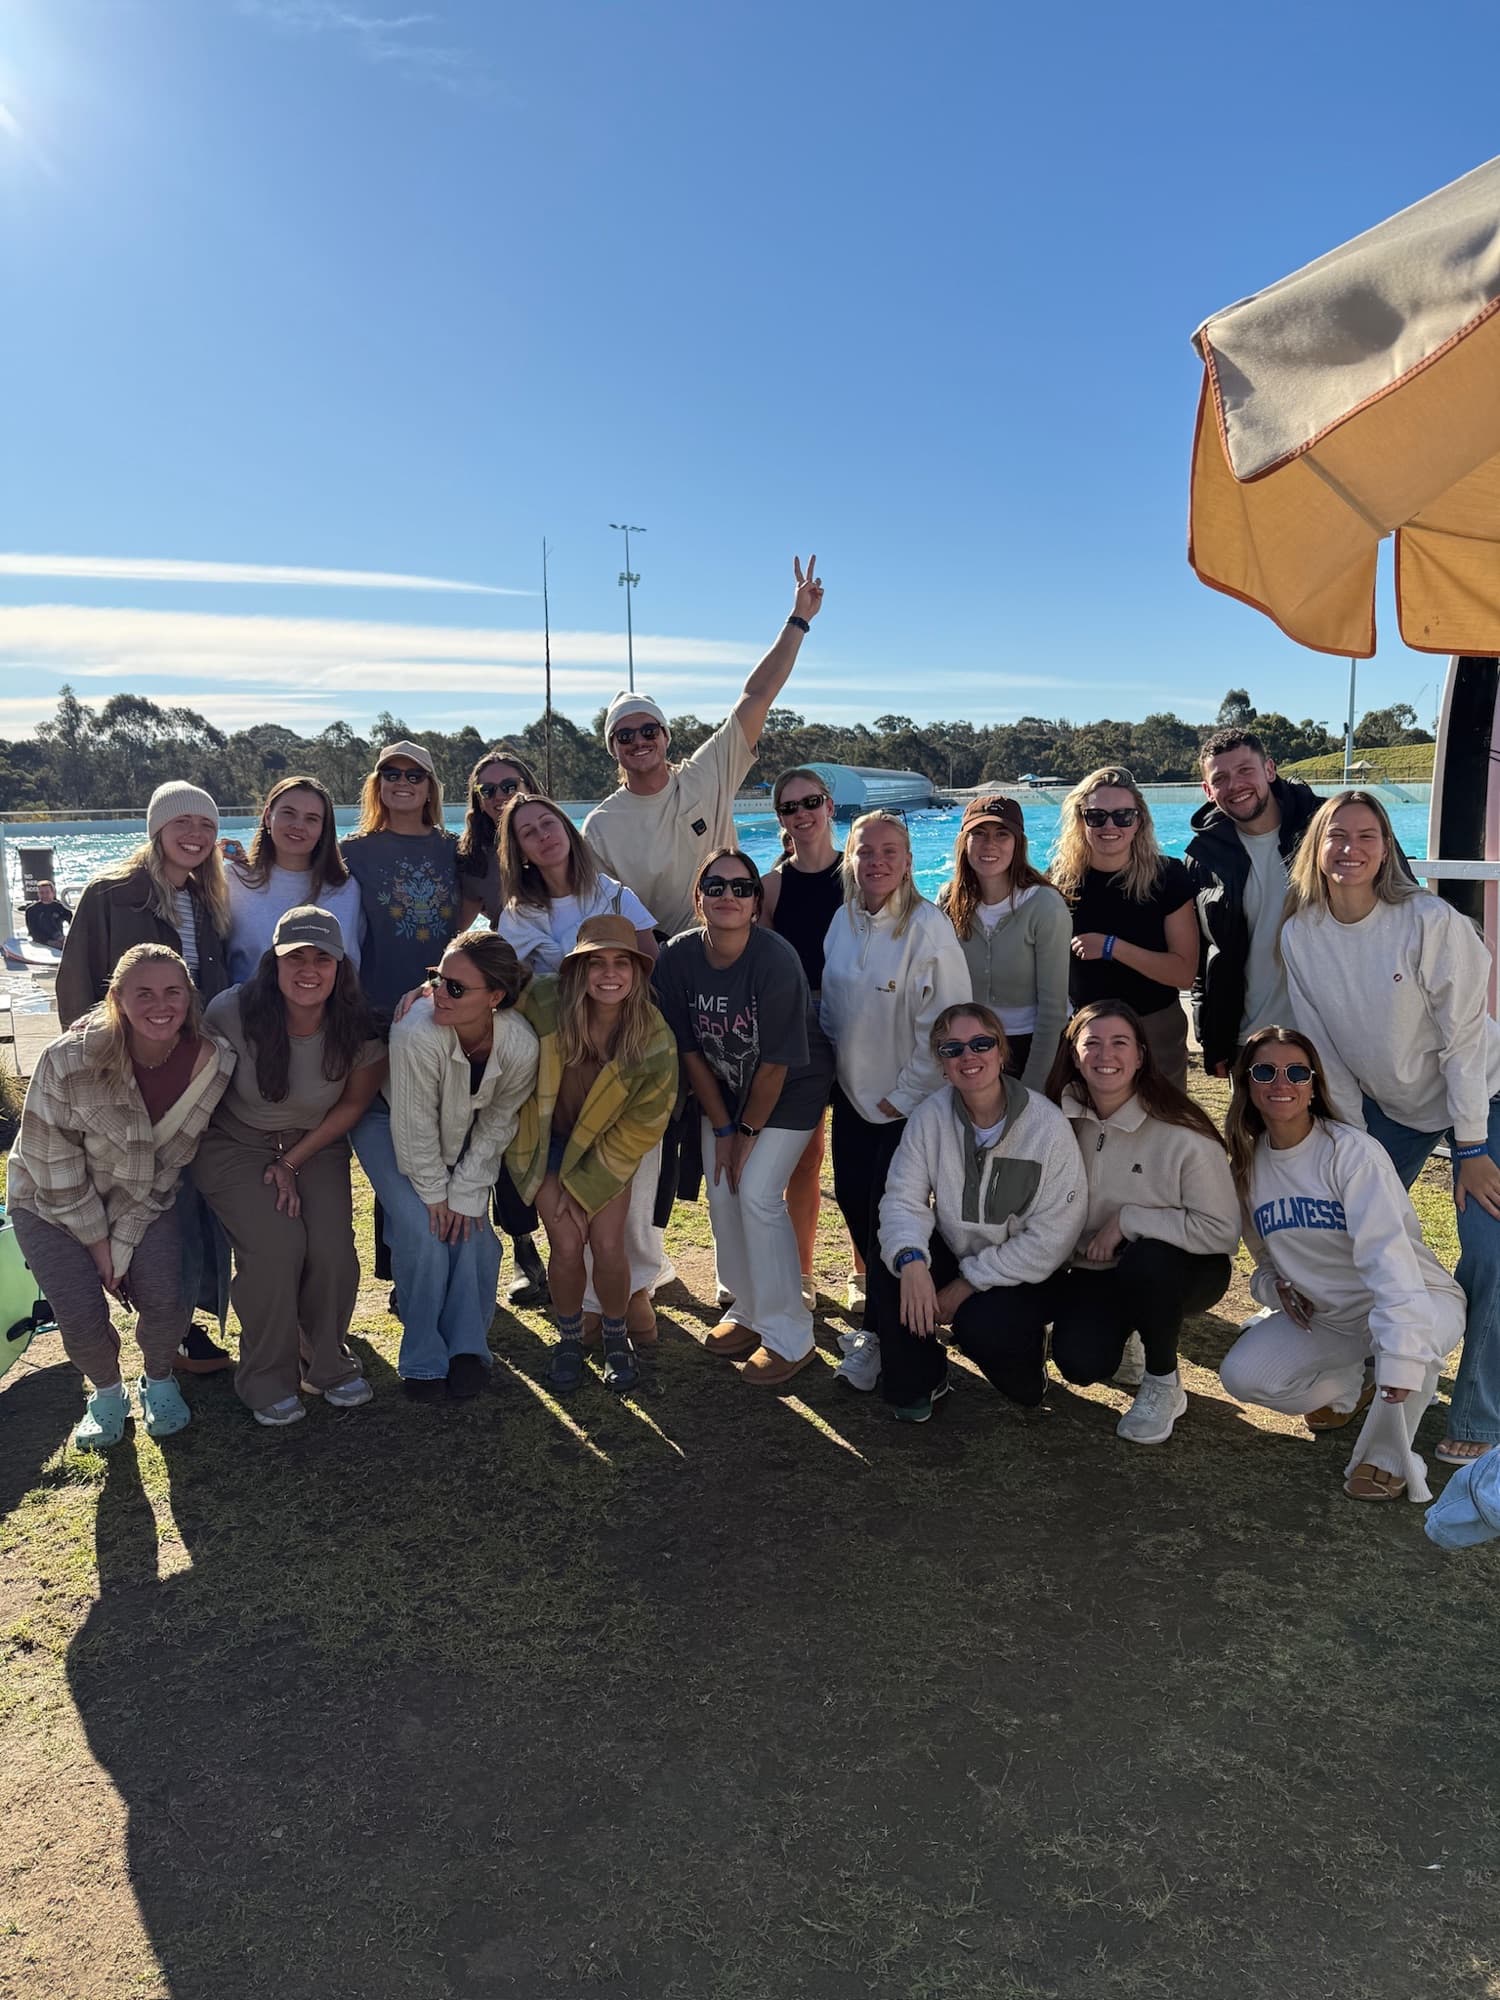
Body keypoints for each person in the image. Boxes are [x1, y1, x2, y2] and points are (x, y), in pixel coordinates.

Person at [1280, 788, 1500, 1467]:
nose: (1350, 848)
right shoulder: (1300, 934)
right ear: (1315, 847)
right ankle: (1353, 1370)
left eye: (1367, 835)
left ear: (1387, 848)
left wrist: (1471, 1147)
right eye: (1336, 835)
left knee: (1491, 1249)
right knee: (1346, 1226)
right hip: (1390, 1107)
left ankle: (1479, 1411)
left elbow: (1463, 1040)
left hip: (1483, 1099)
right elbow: (1326, 1053)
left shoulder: (1430, 921)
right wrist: (1352, 1145)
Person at [1219, 1026, 1461, 1501]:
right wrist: (1276, 1289)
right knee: (1244, 1377)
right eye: (1265, 1071)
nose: (1281, 1083)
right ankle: (1350, 1384)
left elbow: (1390, 1261)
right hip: (1330, 1317)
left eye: (1297, 1072)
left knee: (1414, 1342)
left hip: (1415, 1295)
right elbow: (1264, 1262)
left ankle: (1385, 1456)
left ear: (1314, 1086)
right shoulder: (1246, 1167)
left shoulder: (1351, 1153)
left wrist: (1398, 1356)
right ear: (1247, 1084)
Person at [6, 945, 235, 1449]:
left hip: (143, 1196)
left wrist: (124, 1241)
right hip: (47, 1203)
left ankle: (158, 1379)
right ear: (118, 999)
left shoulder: (212, 1062)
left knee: (166, 1294)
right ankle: (106, 1393)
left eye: (173, 991)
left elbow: (170, 1161)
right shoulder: (67, 1058)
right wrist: (99, 1247)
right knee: (80, 1312)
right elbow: (54, 1166)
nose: (161, 1005)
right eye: (144, 993)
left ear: (189, 996)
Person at [55, 780, 236, 1373]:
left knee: (188, 1198)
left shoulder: (207, 896)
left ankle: (186, 1323)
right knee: (142, 1194)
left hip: (188, 1070)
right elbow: (77, 984)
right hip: (122, 1069)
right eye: (182, 823)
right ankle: (162, 1326)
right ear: (156, 829)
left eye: (206, 826)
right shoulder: (112, 894)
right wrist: (92, 1068)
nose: (195, 834)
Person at [196, 908, 387, 1427]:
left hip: (314, 1144)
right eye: (294, 957)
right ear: (272, 962)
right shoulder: (231, 1011)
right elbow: (198, 1088)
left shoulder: (359, 1025)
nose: (309, 969)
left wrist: (292, 1161)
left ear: (340, 965)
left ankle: (324, 1361)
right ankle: (265, 1376)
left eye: (322, 957)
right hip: (235, 1143)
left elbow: (350, 1106)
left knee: (332, 1251)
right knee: (277, 1248)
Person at [655, 850, 833, 1386]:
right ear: (698, 897)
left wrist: (747, 1134)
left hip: (793, 1090)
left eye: (741, 887)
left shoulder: (775, 958)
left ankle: (790, 1334)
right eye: (715, 886)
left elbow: (777, 1065)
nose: (727, 896)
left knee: (756, 1192)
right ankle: (749, 1308)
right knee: (721, 1186)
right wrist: (726, 1130)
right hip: (726, 1093)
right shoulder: (677, 958)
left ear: (757, 901)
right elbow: (690, 1053)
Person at [582, 555, 825, 940]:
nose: (639, 741)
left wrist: (799, 620)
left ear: (665, 735)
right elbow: (606, 917)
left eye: (648, 729)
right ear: (613, 747)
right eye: (624, 736)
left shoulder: (706, 774)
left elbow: (757, 695)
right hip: (664, 969)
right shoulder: (601, 827)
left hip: (735, 949)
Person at [875, 1004, 1086, 1422]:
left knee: (989, 1339)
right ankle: (922, 1376)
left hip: (1025, 1272)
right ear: (941, 1064)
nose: (967, 1056)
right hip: (956, 1249)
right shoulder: (929, 1117)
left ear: (1001, 1052)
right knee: (895, 1258)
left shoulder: (1046, 1126)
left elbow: (1052, 1239)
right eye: (952, 1048)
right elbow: (902, 1199)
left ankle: (1029, 1359)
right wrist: (912, 1261)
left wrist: (967, 1283)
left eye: (981, 1044)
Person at [820, 810, 971, 1389]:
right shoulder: (841, 921)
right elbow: (833, 1011)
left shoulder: (928, 928)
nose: (876, 861)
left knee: (893, 1225)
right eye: (865, 851)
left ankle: (912, 1359)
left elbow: (947, 1024)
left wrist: (900, 1098)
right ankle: (882, 1331)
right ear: (850, 859)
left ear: (908, 861)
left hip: (903, 1110)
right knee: (858, 1212)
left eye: (889, 851)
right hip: (852, 1102)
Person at [352, 928, 538, 1399]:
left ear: (495, 996)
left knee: (475, 1236)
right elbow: (412, 1128)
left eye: (456, 987)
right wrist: (438, 1196)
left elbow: (498, 1123)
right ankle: (422, 1359)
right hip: (387, 1123)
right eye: (437, 978)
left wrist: (467, 1193)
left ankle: (468, 1350)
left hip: (457, 1136)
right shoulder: (416, 1030)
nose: (439, 994)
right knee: (425, 1232)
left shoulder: (520, 1044)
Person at [1044, 1002, 1239, 1444]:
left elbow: (1223, 1231)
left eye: (1119, 1043)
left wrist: (1130, 1221)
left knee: (1148, 1260)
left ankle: (1163, 1381)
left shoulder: (1183, 1130)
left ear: (1141, 1055)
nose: (1105, 1055)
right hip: (1098, 1268)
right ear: (1074, 1055)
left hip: (1187, 1267)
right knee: (1079, 1364)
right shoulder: (1055, 1122)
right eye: (1091, 1043)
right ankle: (1134, 1330)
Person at [509, 916, 677, 1395]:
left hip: (607, 1147)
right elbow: (485, 1000)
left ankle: (615, 1336)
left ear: (637, 972)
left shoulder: (653, 1037)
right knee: (564, 1243)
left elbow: (643, 1123)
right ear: (577, 970)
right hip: (543, 1141)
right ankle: (566, 1338)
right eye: (596, 962)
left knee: (607, 1243)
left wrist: (584, 1187)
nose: (609, 973)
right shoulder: (543, 1002)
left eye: (621, 962)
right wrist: (424, 994)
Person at [1186, 729, 1323, 1077]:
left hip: (1329, 1034)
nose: (1235, 784)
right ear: (1207, 790)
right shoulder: (1204, 857)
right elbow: (1206, 956)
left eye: (1245, 770)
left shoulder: (1327, 829)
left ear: (1270, 770)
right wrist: (1212, 1038)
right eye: (1221, 778)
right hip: (1249, 1040)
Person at [1052, 766, 1197, 1090]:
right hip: (1086, 1033)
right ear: (1080, 820)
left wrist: (1110, 947)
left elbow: (1183, 972)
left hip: (1155, 1029)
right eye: (1096, 816)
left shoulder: (1167, 877)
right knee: (1088, 1133)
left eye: (1123, 816)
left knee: (1162, 1132)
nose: (1110, 826)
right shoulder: (1059, 882)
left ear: (1139, 821)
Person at [760, 767, 846, 1309]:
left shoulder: (861, 874)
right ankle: (803, 1273)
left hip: (860, 1015)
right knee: (804, 1154)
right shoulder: (771, 885)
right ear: (781, 820)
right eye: (790, 807)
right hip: (800, 1021)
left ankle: (864, 1275)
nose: (802, 813)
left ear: (830, 806)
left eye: (810, 801)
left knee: (862, 1151)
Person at [938, 794, 1071, 1088]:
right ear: (964, 841)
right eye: (979, 834)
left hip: (1030, 1047)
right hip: (967, 1047)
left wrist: (1033, 1085)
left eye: (1002, 834)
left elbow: (1053, 1010)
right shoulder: (948, 900)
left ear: (1018, 843)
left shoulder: (1045, 905)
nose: (990, 844)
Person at [340, 740, 462, 1015]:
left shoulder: (455, 849)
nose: (402, 782)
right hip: (376, 1007)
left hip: (444, 1000)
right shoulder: (352, 851)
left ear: (430, 788)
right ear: (378, 785)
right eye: (392, 775)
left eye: (415, 776)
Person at [225, 774, 363, 984]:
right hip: (247, 1012)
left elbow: (351, 969)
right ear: (268, 816)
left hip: (326, 1015)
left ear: (323, 829)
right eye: (288, 813)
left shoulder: (346, 889)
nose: (298, 825)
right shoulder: (233, 880)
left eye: (311, 819)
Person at [496, 793, 657, 973]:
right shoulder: (516, 920)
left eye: (547, 823)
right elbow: (505, 985)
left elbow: (651, 971)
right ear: (520, 852)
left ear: (567, 829)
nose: (543, 835)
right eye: (528, 832)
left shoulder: (616, 898)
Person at [456, 745, 542, 928]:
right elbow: (457, 930)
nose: (500, 796)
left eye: (509, 786)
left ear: (528, 787)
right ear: (478, 800)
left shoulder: (561, 842)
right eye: (487, 790)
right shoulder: (476, 860)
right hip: (512, 955)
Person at [24, 881, 71, 949]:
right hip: (40, 943)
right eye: (41, 893)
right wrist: (49, 942)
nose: (45, 895)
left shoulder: (61, 907)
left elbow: (73, 923)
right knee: (44, 919)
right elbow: (33, 931)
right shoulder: (31, 910)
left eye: (47, 892)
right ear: (38, 894)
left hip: (60, 941)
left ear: (53, 893)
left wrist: (68, 939)